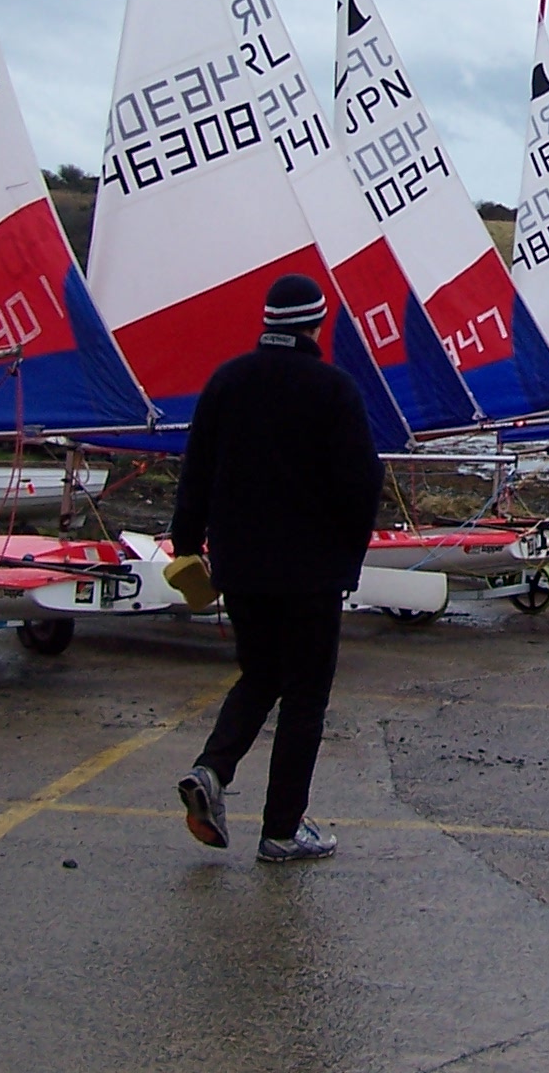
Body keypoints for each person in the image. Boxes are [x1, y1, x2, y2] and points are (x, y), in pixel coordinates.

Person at [173, 274, 383, 864]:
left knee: (259, 676)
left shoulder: (226, 381)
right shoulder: (334, 389)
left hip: (240, 568)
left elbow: (197, 472)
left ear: (266, 322)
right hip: (312, 573)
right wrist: (350, 554)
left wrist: (186, 543)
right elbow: (361, 482)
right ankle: (283, 831)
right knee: (305, 695)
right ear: (317, 325)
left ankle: (211, 771)